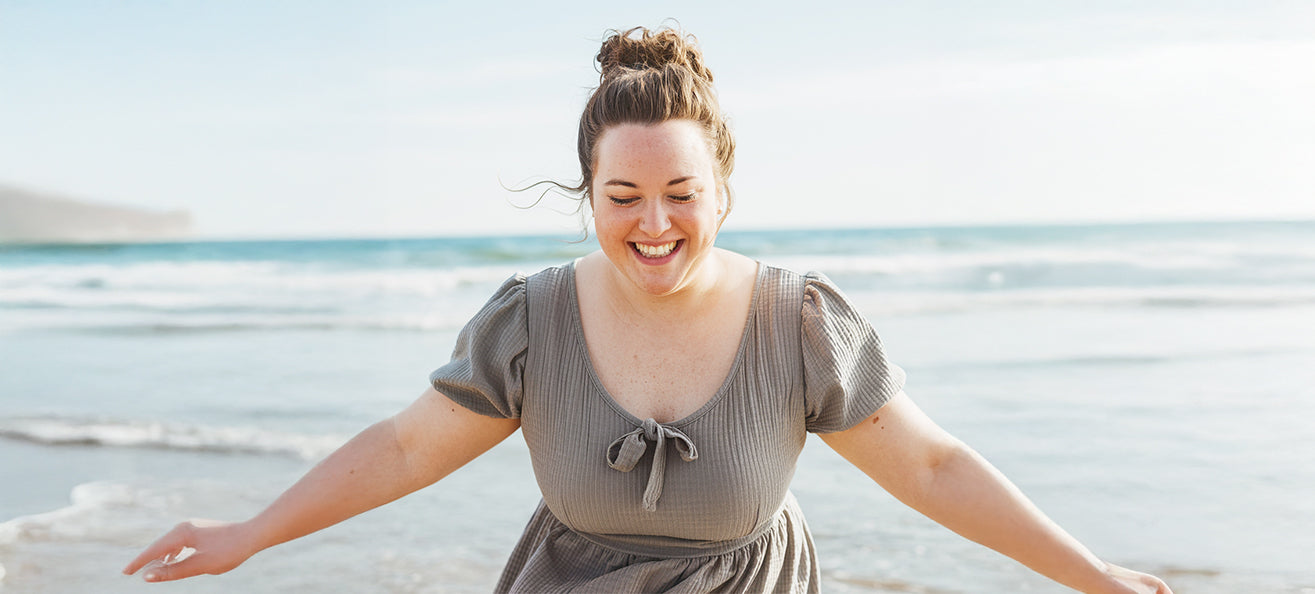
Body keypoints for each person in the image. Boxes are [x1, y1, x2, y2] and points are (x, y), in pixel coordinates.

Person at [123, 26, 1172, 593]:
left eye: (681, 195)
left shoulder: (797, 323)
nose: (654, 223)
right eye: (622, 197)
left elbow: (933, 467)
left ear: (722, 188)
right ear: (588, 195)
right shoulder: (530, 322)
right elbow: (404, 451)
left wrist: (1087, 575)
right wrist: (249, 533)